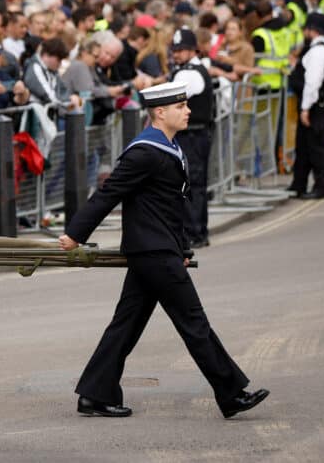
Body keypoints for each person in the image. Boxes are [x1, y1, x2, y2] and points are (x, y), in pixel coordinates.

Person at [58, 81, 269, 420]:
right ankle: (230, 393)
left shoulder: (166, 146)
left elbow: (170, 206)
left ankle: (94, 395)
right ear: (160, 112)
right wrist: (75, 234)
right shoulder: (145, 151)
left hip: (157, 250)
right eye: (180, 106)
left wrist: (182, 247)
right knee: (194, 323)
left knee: (125, 326)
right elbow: (109, 192)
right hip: (154, 253)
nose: (188, 111)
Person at [169, 28, 215, 247]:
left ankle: (194, 232)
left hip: (192, 136)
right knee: (195, 184)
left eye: (182, 50)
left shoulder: (188, 73)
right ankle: (198, 231)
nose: (177, 54)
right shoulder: (195, 69)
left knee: (191, 185)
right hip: (196, 135)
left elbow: (170, 99)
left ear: (192, 50)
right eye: (175, 50)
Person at [287, 13, 324, 200]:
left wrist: (306, 108)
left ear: (312, 30)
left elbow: (313, 83)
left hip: (316, 104)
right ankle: (299, 184)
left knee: (317, 146)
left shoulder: (317, 52)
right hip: (320, 102)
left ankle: (322, 187)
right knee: (304, 146)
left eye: (306, 29)